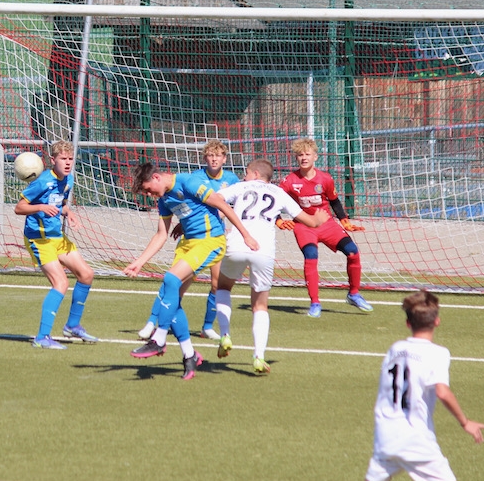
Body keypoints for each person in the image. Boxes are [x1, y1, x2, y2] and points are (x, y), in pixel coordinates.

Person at [123, 162, 259, 380]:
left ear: (156, 177)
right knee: (172, 297)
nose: (149, 195)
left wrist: (246, 235)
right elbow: (161, 235)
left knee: (170, 280)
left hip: (210, 241)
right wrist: (139, 262)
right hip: (188, 245)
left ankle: (159, 338)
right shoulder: (164, 199)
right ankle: (189, 355)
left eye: (148, 189)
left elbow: (221, 204)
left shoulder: (188, 182)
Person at [211, 158, 329, 374]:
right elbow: (310, 222)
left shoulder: (241, 187)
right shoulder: (279, 193)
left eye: (247, 172)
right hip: (263, 251)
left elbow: (216, 199)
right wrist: (319, 219)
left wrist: (223, 205)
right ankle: (259, 356)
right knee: (260, 306)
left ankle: (225, 335)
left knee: (223, 287)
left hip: (237, 244)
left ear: (256, 174)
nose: (244, 176)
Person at [363, 290, 484, 481]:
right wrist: (465, 422)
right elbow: (442, 392)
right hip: (416, 438)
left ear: (408, 323)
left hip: (386, 435)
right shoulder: (438, 353)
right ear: (437, 321)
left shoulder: (395, 349)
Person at [137, 139, 238, 342]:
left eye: (218, 155)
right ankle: (154, 323)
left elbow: (228, 205)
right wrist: (185, 223)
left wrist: (245, 233)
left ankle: (206, 327)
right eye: (210, 155)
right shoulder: (195, 177)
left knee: (216, 283)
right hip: (192, 239)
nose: (214, 159)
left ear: (225, 159)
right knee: (173, 282)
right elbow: (187, 208)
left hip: (213, 236)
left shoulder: (232, 179)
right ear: (205, 158)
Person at [15, 141, 97, 350]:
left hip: (57, 237)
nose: (67, 163)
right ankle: (42, 337)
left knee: (86, 274)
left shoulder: (68, 179)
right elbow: (19, 207)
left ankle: (72, 325)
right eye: (63, 159)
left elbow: (61, 203)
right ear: (53, 160)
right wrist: (40, 207)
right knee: (61, 283)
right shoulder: (42, 182)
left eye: (70, 159)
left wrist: (68, 213)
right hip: (39, 240)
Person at [277, 137, 372, 318]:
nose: (304, 158)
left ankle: (354, 294)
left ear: (315, 157)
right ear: (296, 158)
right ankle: (315, 303)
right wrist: (278, 220)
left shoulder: (325, 179)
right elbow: (274, 200)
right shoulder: (289, 181)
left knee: (353, 252)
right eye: (300, 155)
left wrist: (344, 220)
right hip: (304, 226)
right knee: (311, 257)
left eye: (307, 154)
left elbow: (334, 201)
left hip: (327, 224)